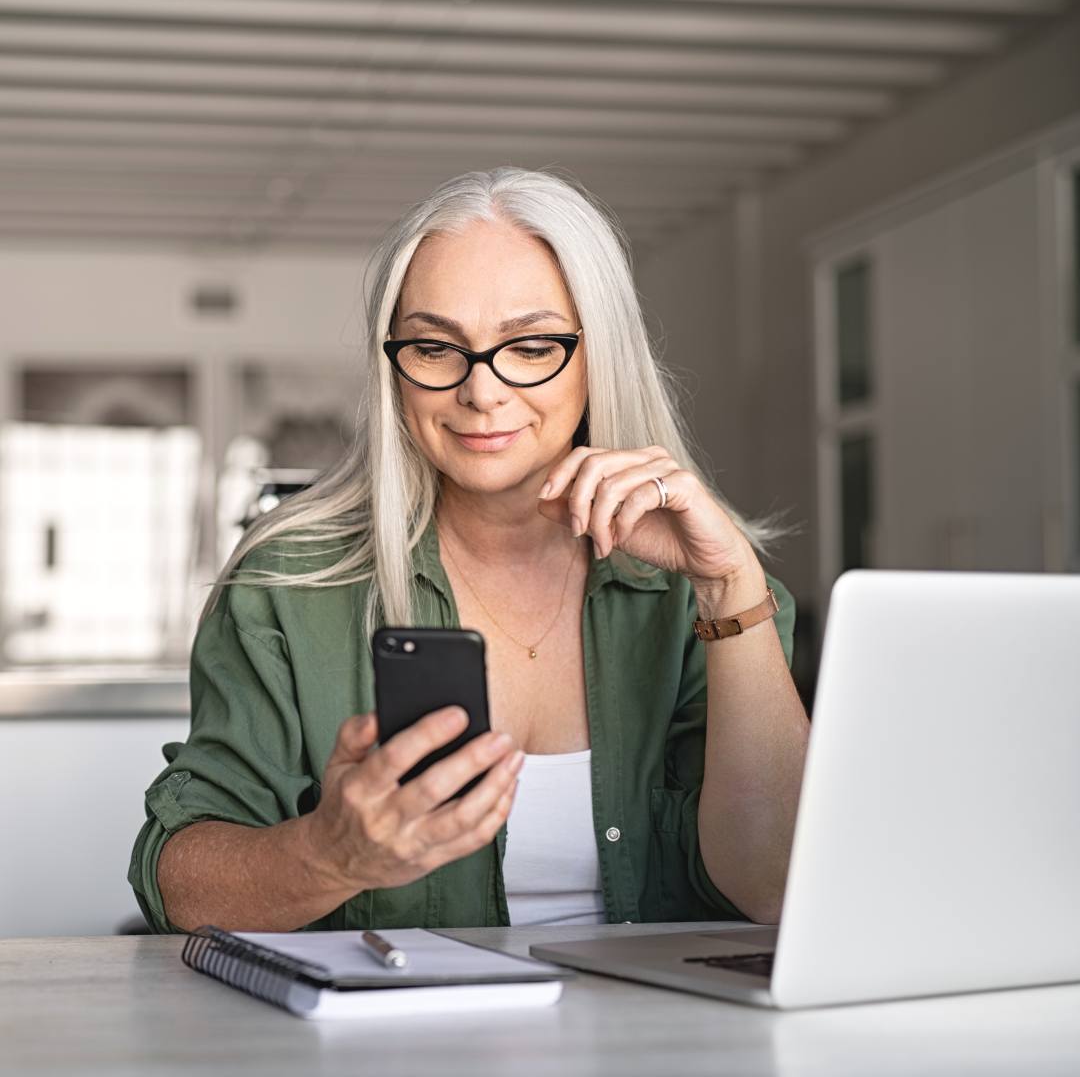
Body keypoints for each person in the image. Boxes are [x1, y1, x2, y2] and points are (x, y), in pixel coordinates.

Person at [129, 167, 809, 935]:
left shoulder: (708, 591)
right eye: (433, 347)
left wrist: (729, 588)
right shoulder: (288, 584)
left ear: (601, 355)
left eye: (532, 346)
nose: (481, 392)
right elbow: (180, 888)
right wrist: (329, 855)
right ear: (393, 366)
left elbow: (775, 886)